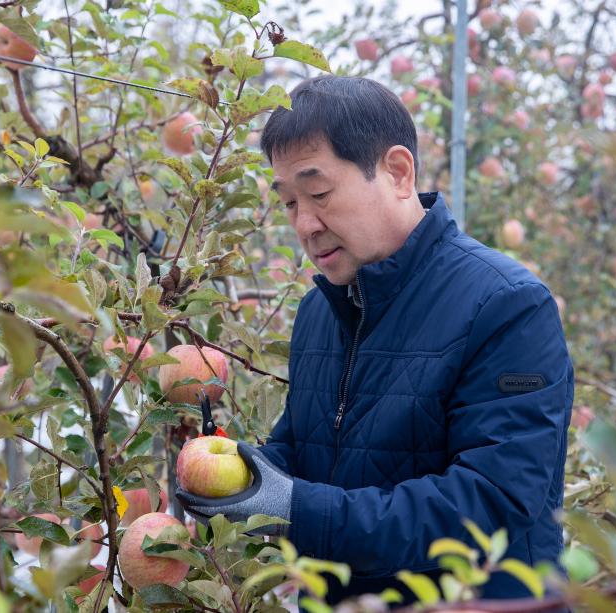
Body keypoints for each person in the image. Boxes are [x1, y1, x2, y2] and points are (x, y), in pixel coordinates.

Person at [177, 75, 573, 606]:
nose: (305, 224)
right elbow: (304, 449)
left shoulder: (506, 305)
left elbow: (490, 502)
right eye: (290, 202)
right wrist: (244, 479)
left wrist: (296, 507)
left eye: (318, 193)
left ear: (397, 172)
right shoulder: (321, 310)